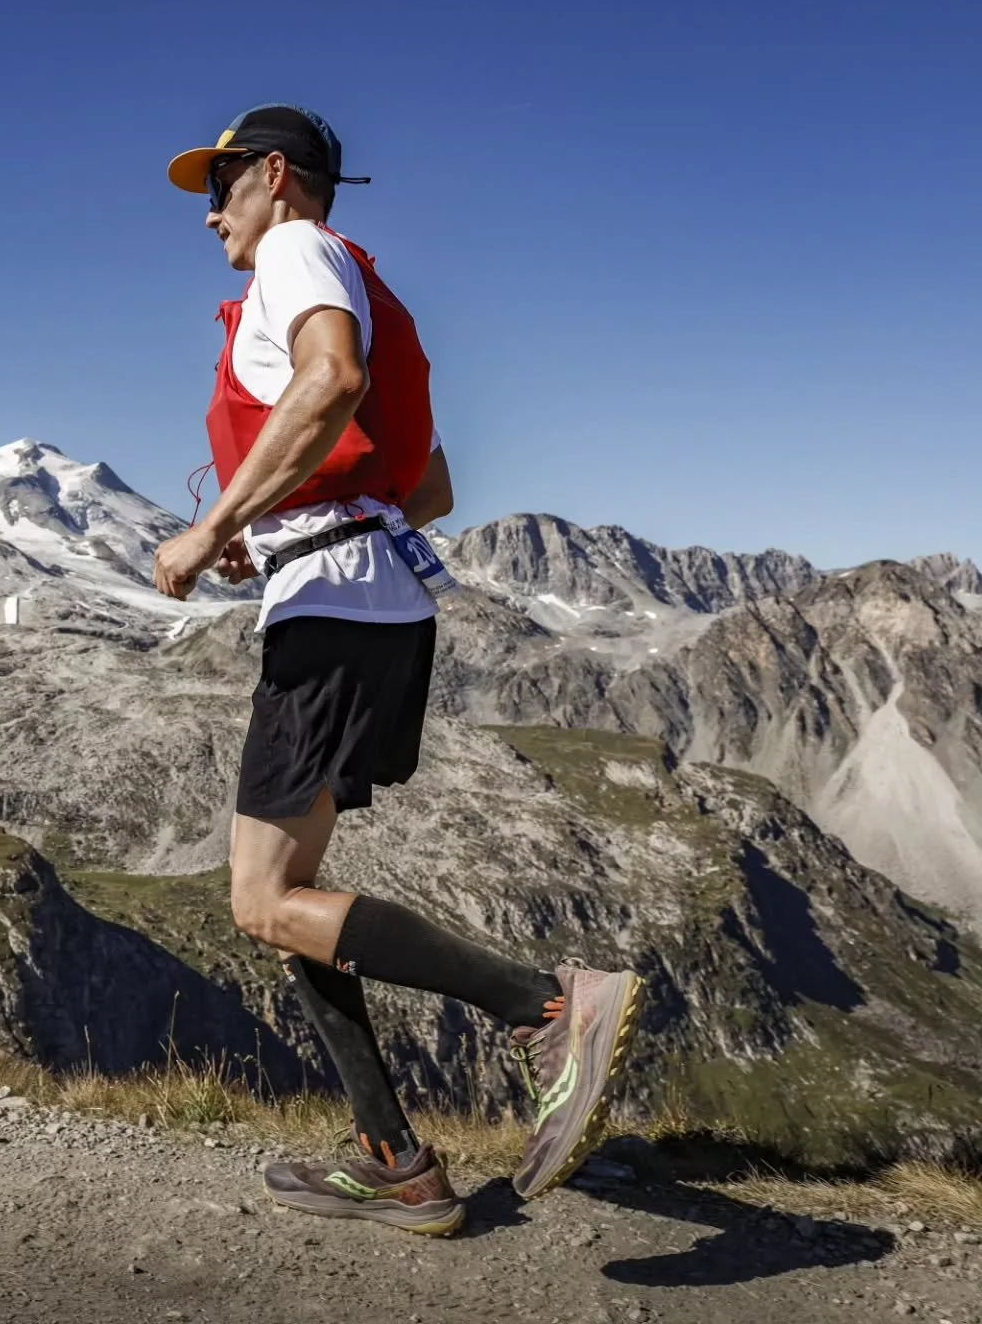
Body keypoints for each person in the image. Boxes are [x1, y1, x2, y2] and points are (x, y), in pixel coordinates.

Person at [154, 103, 642, 1235]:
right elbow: (428, 487)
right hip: (367, 596)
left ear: (276, 176)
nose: (211, 212)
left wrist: (213, 521)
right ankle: (395, 1160)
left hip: (333, 611)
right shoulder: (369, 283)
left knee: (263, 900)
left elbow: (329, 385)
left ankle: (550, 1007)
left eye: (220, 185)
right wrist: (271, 522)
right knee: (293, 901)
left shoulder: (294, 250)